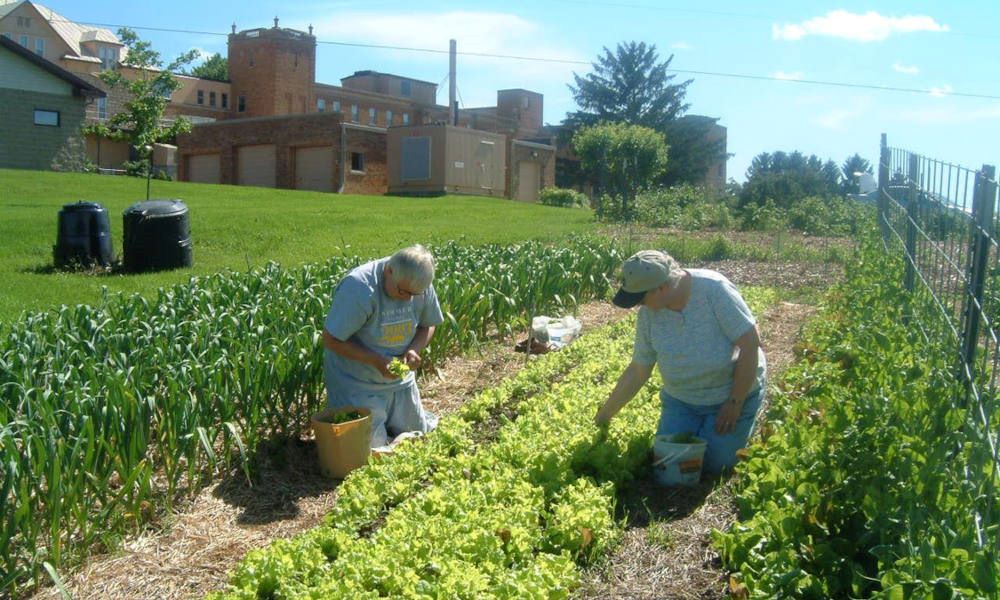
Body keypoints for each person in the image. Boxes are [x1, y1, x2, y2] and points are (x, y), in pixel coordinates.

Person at [594, 250, 766, 475]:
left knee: (715, 466)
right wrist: (605, 415)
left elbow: (750, 345)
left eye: (641, 299)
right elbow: (638, 370)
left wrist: (735, 402)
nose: (639, 306)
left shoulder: (714, 290)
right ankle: (704, 428)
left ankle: (744, 419)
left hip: (728, 393)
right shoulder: (649, 315)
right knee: (668, 462)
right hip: (681, 400)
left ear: (662, 288)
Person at [322, 244, 443, 449]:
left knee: (418, 438)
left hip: (400, 382)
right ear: (389, 271)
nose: (407, 298)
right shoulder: (359, 288)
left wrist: (414, 349)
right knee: (368, 452)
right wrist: (375, 360)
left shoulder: (418, 282)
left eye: (414, 294)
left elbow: (427, 324)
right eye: (402, 291)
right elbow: (331, 339)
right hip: (357, 382)